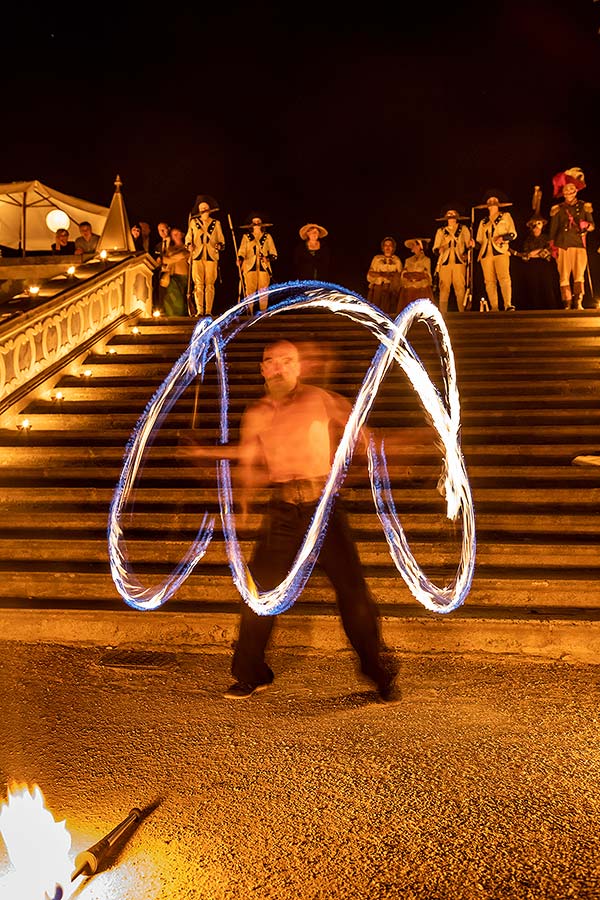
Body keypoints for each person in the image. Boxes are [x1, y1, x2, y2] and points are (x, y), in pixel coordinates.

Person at [185, 339, 398, 701]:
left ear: (299, 368)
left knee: (353, 594)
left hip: (323, 509)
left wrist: (370, 450)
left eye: (288, 361)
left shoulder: (320, 399)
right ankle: (251, 672)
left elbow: (357, 431)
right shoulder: (257, 414)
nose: (280, 367)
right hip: (282, 510)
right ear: (263, 369)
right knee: (259, 595)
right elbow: (250, 458)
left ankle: (376, 671)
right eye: (272, 361)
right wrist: (212, 458)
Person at [549, 167, 595, 310]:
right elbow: (553, 230)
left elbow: (593, 226)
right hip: (563, 245)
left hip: (579, 245)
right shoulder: (558, 209)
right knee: (563, 276)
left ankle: (578, 302)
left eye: (571, 189)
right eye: (566, 189)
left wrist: (586, 225)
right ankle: (567, 303)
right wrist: (553, 247)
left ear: (576, 190)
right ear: (563, 192)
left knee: (579, 276)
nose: (569, 192)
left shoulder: (584, 206)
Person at [475, 190, 517, 312]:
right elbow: (479, 240)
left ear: (499, 204)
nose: (492, 203)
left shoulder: (505, 216)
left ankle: (508, 304)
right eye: (490, 201)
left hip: (500, 251)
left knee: (504, 278)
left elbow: (513, 233)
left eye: (494, 201)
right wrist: (474, 244)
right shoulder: (483, 222)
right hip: (485, 254)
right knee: (489, 281)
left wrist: (503, 238)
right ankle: (494, 307)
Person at [184, 194, 225, 317]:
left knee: (210, 285)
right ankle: (200, 310)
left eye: (206, 207)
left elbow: (221, 239)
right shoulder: (193, 222)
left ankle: (208, 310)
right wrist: (189, 245)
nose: (204, 209)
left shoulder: (216, 223)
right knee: (198, 284)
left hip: (211, 256)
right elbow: (188, 238)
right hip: (197, 256)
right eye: (201, 207)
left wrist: (219, 245)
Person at [510, 216, 562, 310]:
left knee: (548, 287)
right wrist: (530, 254)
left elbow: (547, 251)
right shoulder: (528, 240)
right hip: (532, 266)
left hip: (545, 265)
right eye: (534, 224)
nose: (536, 226)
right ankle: (536, 310)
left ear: (542, 225)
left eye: (539, 223)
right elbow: (525, 255)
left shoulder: (547, 238)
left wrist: (535, 252)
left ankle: (552, 309)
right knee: (534, 287)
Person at [432, 208, 473, 314]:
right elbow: (435, 248)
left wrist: (470, 245)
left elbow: (469, 245)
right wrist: (440, 249)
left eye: (453, 213)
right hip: (444, 263)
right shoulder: (441, 231)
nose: (451, 215)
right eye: (449, 213)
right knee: (444, 288)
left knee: (460, 287)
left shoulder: (463, 229)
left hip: (459, 262)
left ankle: (462, 312)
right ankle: (443, 313)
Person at [237, 214, 278, 313]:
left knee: (263, 290)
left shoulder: (267, 237)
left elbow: (274, 253)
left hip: (264, 267)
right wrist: (240, 259)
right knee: (250, 290)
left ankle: (263, 311)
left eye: (258, 222)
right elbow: (242, 250)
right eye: (254, 222)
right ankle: (249, 311)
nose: (256, 224)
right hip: (249, 266)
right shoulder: (246, 237)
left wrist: (267, 258)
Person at [366, 236, 403, 315]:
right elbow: (370, 273)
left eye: (390, 245)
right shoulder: (377, 259)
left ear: (393, 247)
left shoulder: (396, 260)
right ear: (383, 247)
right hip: (378, 288)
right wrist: (381, 274)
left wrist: (392, 277)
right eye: (386, 245)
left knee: (388, 311)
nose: (388, 247)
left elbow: (400, 276)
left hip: (390, 290)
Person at [397, 238, 433, 312]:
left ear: (420, 246)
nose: (413, 247)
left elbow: (428, 276)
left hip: (421, 288)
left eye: (415, 245)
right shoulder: (408, 260)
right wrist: (409, 277)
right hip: (409, 287)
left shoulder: (426, 260)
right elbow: (404, 274)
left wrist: (419, 276)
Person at [161, 227, 190, 316]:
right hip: (173, 276)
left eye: (177, 234)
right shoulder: (170, 248)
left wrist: (172, 258)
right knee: (172, 297)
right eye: (174, 234)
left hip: (184, 275)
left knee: (183, 297)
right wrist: (178, 257)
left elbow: (184, 254)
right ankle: (173, 316)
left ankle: (183, 315)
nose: (176, 236)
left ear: (182, 234)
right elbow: (165, 260)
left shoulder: (186, 247)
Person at [152, 222, 172, 312]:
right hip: (162, 272)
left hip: (173, 272)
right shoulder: (158, 246)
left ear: (168, 229)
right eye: (160, 230)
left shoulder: (175, 242)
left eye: (164, 229)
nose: (162, 232)